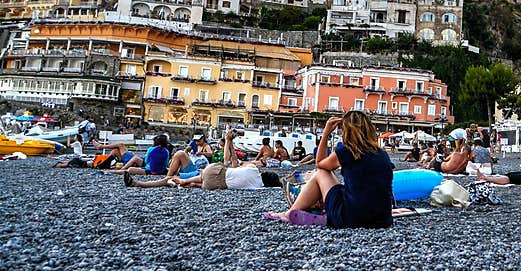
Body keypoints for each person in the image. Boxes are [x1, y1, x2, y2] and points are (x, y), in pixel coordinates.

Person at [262, 110, 394, 228]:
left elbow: (320, 163)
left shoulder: (348, 150)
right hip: (382, 219)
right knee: (346, 189)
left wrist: (326, 133)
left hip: (351, 218)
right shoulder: (382, 154)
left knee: (321, 173)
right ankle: (325, 214)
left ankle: (288, 214)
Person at [125, 129, 282, 189]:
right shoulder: (256, 187)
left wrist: (229, 142)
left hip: (211, 172)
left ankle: (140, 183)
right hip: (213, 184)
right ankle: (185, 182)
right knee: (187, 181)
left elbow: (232, 162)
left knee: (171, 176)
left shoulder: (253, 169)